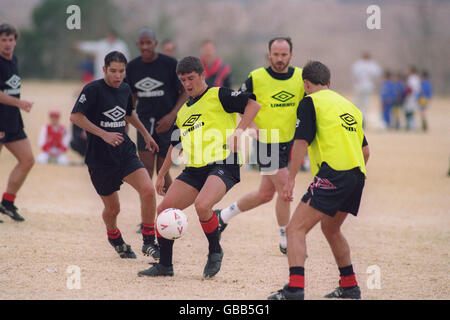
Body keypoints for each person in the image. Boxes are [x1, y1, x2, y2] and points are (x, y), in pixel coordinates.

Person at [137, 56, 260, 278]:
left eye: (191, 78)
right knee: (163, 211)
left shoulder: (218, 94)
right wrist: (162, 175)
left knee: (203, 205)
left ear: (203, 75)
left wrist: (239, 131)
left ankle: (215, 251)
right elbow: (176, 146)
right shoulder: (183, 112)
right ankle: (165, 266)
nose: (187, 84)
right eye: (183, 80)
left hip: (224, 162)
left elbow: (253, 105)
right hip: (194, 169)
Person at [268, 61, 369, 300]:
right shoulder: (349, 106)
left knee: (295, 229)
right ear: (329, 83)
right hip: (356, 175)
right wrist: (350, 176)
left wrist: (291, 180)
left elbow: (301, 142)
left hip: (333, 174)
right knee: (331, 228)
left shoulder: (310, 102)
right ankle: (350, 286)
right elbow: (365, 151)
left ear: (306, 84)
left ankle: (294, 290)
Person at [214, 37, 305, 254]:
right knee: (285, 190)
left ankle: (223, 216)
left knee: (265, 194)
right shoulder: (256, 77)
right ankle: (287, 239)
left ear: (291, 55)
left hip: (289, 143)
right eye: (276, 54)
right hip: (266, 143)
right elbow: (241, 105)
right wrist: (252, 126)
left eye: (284, 54)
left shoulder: (301, 77)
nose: (280, 59)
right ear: (269, 55)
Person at [70, 51, 161, 260]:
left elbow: (128, 114)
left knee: (147, 190)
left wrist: (146, 134)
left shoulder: (126, 89)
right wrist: (104, 134)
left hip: (125, 152)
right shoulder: (92, 89)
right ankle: (114, 236)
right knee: (113, 209)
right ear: (104, 70)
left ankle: (149, 241)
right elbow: (75, 116)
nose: (117, 75)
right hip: (100, 159)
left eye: (121, 71)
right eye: (113, 71)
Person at [126, 28, 187, 196]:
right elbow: (130, 98)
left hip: (168, 123)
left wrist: (172, 115)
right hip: (145, 123)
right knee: (145, 171)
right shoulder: (132, 67)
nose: (145, 47)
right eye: (142, 43)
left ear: (155, 43)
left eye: (148, 43)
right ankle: (147, 219)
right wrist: (126, 125)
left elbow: (185, 92)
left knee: (163, 169)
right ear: (138, 44)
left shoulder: (170, 64)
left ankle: (172, 212)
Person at [0, 23, 34, 223]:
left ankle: (7, 202)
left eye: (10, 40)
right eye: (3, 40)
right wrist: (19, 103)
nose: (7, 44)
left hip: (12, 120)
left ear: (15, 41)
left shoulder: (14, 60)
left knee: (27, 159)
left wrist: (17, 106)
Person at [351, 52, 381, 127]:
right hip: (367, 86)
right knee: (364, 105)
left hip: (360, 86)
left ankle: (359, 120)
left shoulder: (358, 64)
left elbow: (354, 74)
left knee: (359, 104)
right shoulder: (372, 65)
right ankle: (362, 120)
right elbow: (377, 74)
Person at [404, 66, 421, 131]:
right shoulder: (415, 78)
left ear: (412, 71)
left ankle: (412, 125)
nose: (407, 72)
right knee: (409, 111)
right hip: (412, 97)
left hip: (411, 97)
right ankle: (411, 125)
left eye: (408, 70)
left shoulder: (413, 79)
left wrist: (406, 94)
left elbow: (411, 89)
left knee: (409, 111)